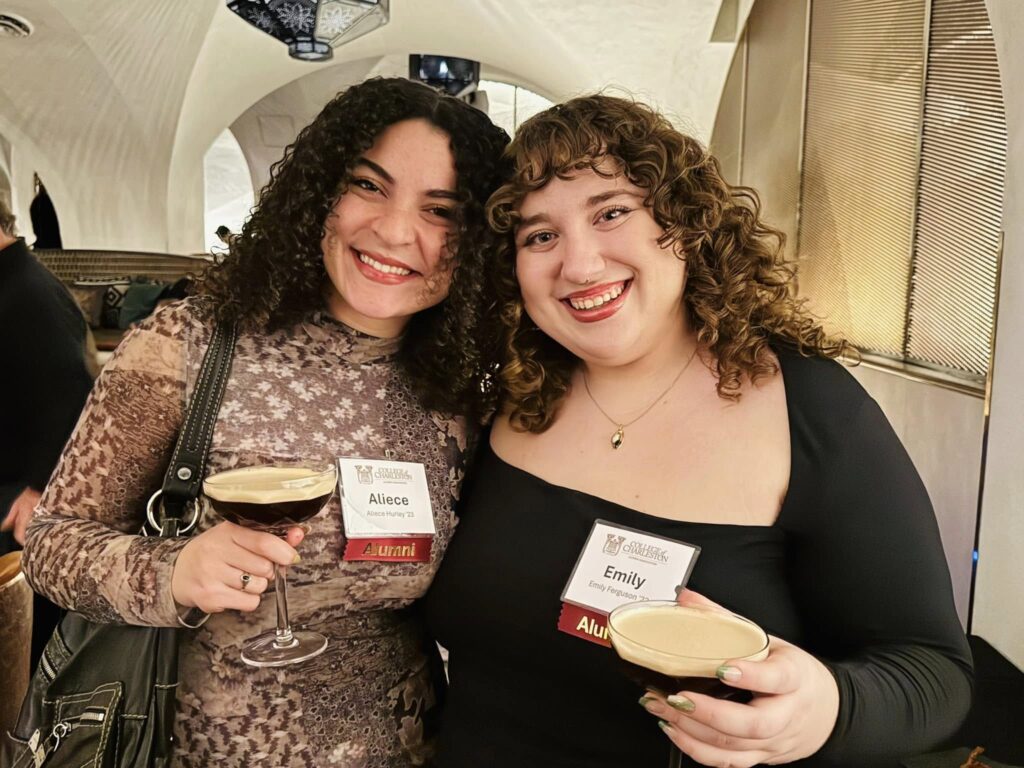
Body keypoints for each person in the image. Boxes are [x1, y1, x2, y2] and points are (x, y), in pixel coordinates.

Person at [423, 94, 972, 767]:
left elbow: (933, 673)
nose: (580, 264)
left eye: (611, 213)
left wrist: (826, 709)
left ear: (682, 223)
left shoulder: (812, 410)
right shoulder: (507, 396)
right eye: (540, 236)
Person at [22, 77, 509, 767]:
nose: (396, 230)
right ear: (317, 193)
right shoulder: (189, 342)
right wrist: (172, 572)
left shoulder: (466, 388)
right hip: (189, 749)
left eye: (441, 211)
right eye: (367, 186)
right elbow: (51, 544)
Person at [0, 195, 94, 667]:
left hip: (21, 509)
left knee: (24, 657)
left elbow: (75, 396)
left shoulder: (29, 293)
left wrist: (40, 488)